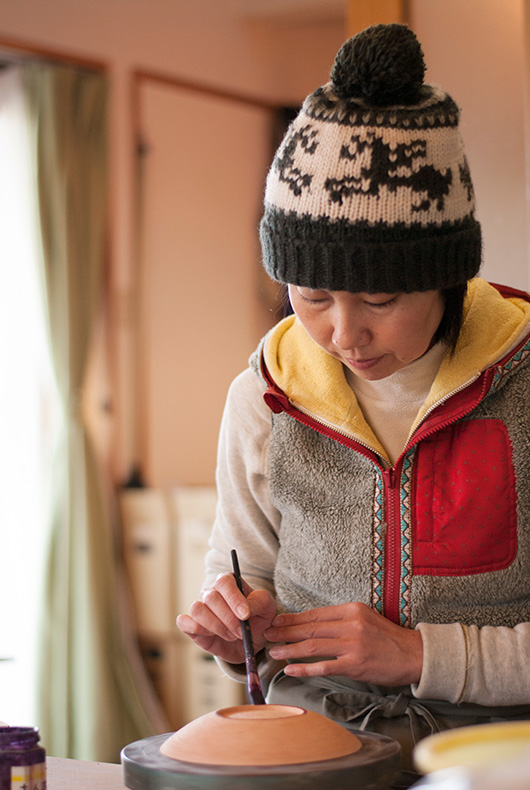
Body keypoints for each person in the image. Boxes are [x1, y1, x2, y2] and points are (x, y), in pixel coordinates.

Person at [176, 23, 530, 786]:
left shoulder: (524, 389)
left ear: (448, 277)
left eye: (380, 297)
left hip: (496, 753)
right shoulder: (264, 397)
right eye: (310, 296)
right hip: (315, 743)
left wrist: (421, 655)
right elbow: (242, 571)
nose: (343, 334)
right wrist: (232, 620)